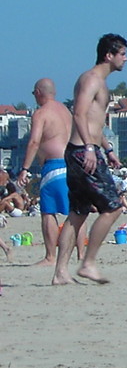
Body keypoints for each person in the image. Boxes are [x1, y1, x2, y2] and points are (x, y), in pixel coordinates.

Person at [52, 33, 127, 285]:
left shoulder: (102, 83)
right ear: (109, 55)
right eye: (122, 54)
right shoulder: (91, 79)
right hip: (82, 151)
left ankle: (60, 273)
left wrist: (107, 149)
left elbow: (95, 123)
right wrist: (89, 148)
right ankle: (88, 263)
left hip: (87, 149)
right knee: (113, 207)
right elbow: (79, 115)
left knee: (77, 213)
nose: (125, 59)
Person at [16, 78, 86, 266]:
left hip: (54, 166)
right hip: (73, 164)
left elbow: (34, 142)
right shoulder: (66, 112)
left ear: (38, 92)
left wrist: (24, 169)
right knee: (76, 211)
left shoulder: (41, 113)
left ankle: (50, 257)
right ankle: (80, 255)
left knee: (49, 212)